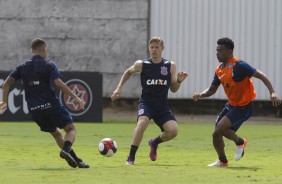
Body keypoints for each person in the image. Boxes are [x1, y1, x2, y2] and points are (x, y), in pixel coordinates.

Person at [0, 38, 89, 168]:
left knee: (56, 133)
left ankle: (76, 160)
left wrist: (4, 101)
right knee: (70, 129)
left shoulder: (22, 66)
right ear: (43, 49)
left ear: (32, 51)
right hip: (51, 106)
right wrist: (75, 97)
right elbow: (58, 83)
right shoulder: (49, 64)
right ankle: (65, 150)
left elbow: (7, 83)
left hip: (35, 110)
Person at [192, 37, 281, 167]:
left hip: (244, 106)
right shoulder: (219, 70)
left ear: (229, 51)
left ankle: (240, 142)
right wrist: (200, 95)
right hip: (231, 105)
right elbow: (212, 90)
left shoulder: (239, 65)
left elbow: (262, 76)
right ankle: (223, 161)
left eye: (220, 51)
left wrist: (272, 92)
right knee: (216, 133)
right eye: (216, 50)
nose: (217, 53)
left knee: (221, 128)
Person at [111, 36, 188, 165]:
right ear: (149, 48)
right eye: (151, 47)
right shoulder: (141, 64)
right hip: (146, 103)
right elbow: (128, 72)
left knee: (173, 131)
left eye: (157, 47)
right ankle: (131, 157)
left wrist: (179, 80)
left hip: (162, 106)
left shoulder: (170, 66)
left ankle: (154, 142)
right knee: (142, 123)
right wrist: (118, 88)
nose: (154, 50)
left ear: (162, 48)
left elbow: (174, 89)